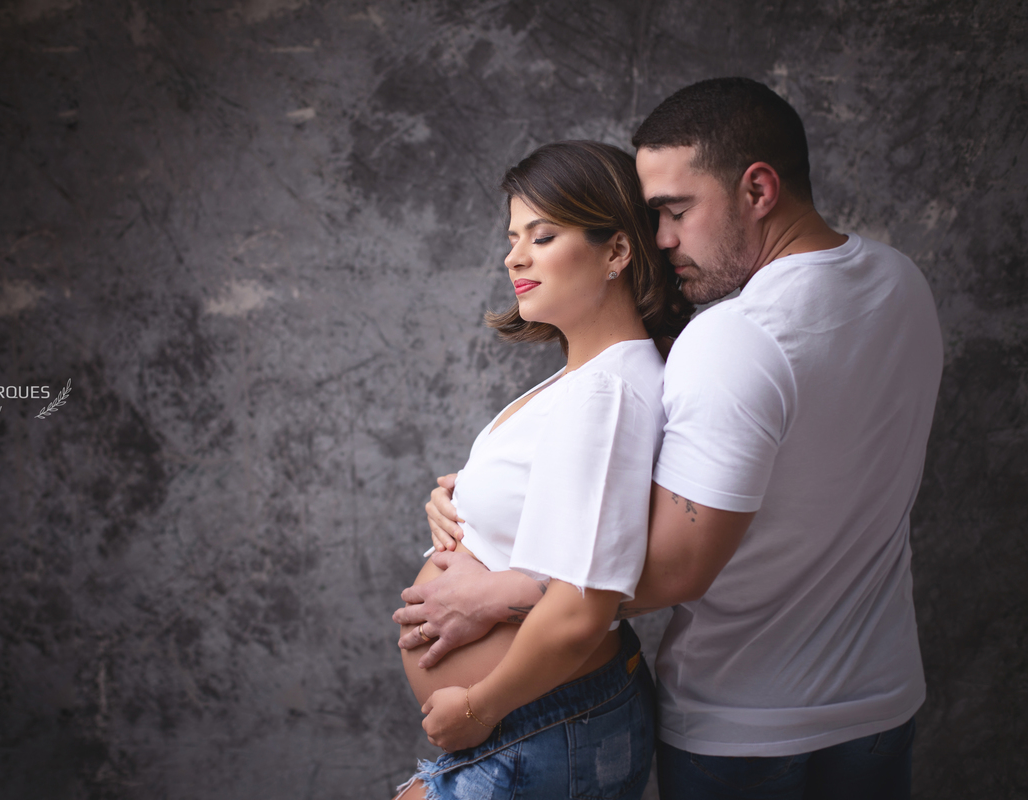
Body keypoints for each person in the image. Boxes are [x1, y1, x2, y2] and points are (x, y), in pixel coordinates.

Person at [396, 78, 944, 800]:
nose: (662, 238)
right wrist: (481, 503)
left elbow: (677, 567)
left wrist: (498, 594)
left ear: (758, 190)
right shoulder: (899, 281)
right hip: (879, 699)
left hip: (747, 721)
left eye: (676, 211)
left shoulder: (734, 339)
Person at [392, 140, 690, 800]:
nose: (514, 257)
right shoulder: (587, 381)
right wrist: (460, 503)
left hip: (535, 725)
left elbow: (584, 607)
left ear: (616, 251)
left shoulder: (605, 392)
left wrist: (478, 709)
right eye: (513, 238)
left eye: (543, 235)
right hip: (536, 724)